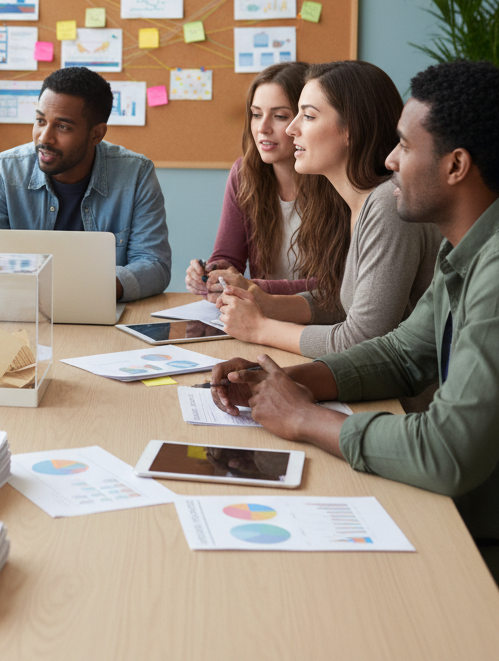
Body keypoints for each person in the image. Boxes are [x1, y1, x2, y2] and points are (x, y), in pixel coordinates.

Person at [209, 60, 499, 579]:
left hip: (479, 533)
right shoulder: (462, 251)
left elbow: (446, 451)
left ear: (456, 166)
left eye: (405, 146)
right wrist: (285, 382)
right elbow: (401, 353)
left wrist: (305, 418)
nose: (390, 161)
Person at [212, 60, 440, 359]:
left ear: (351, 130)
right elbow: (346, 305)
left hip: (402, 388)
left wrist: (259, 328)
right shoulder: (364, 202)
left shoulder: (387, 204)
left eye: (307, 116)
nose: (291, 129)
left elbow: (361, 340)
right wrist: (268, 303)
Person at [0, 66, 171, 301]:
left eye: (62, 127)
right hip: (21, 308)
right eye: (40, 121)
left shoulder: (136, 173)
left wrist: (85, 289)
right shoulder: (4, 170)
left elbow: (155, 264)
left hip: (101, 310)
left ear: (96, 134)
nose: (44, 138)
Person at [185, 62, 313, 296]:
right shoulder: (244, 174)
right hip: (259, 313)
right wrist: (212, 275)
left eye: (279, 116)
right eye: (256, 114)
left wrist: (254, 288)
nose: (262, 128)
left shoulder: (334, 178)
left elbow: (338, 287)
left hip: (319, 317)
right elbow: (228, 257)